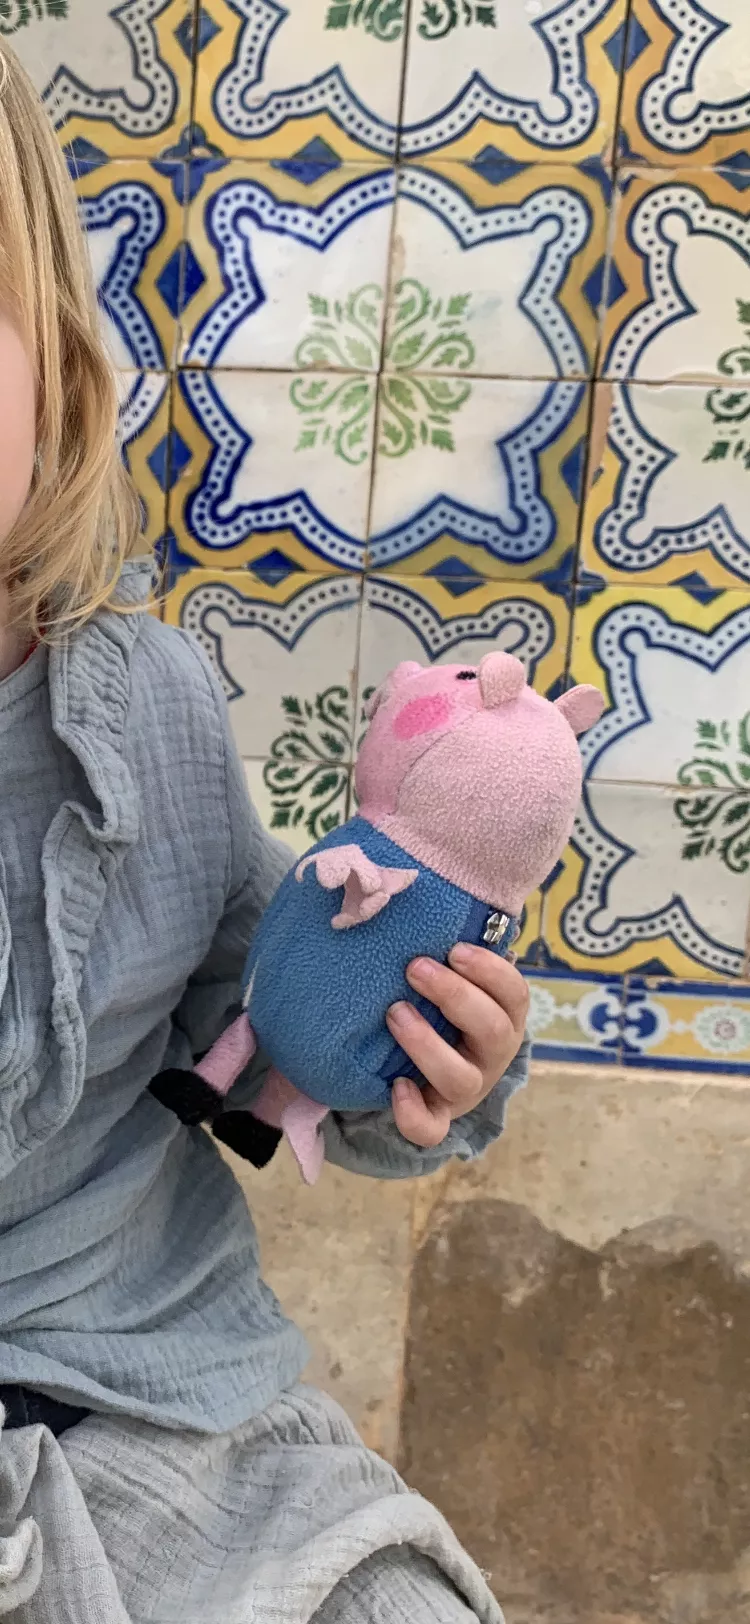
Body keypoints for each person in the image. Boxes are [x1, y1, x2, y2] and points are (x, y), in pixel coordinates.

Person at [0, 42, 530, 1624]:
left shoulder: (140, 705)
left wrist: (409, 1063)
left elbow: (247, 1051)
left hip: (157, 1401)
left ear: (54, 370)